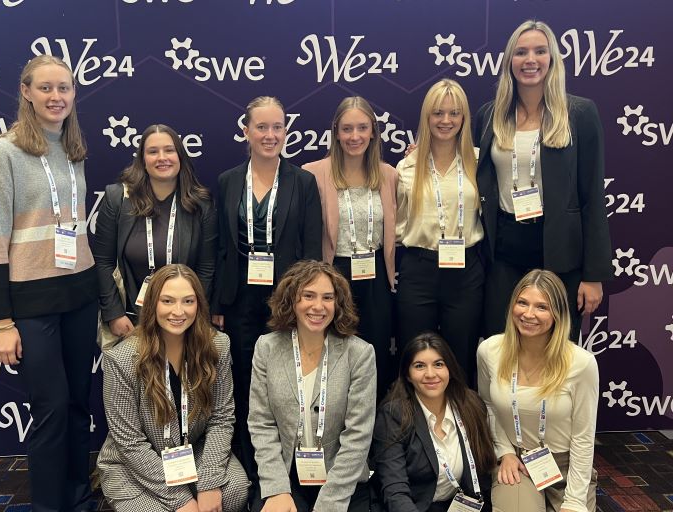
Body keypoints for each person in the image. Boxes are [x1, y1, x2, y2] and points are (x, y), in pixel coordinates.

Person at [0, 55, 98, 511]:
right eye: (45, 88)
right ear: (26, 91)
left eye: (63, 88)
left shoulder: (73, 150)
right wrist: (2, 321)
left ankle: (79, 498)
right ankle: (50, 505)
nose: (56, 97)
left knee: (77, 406)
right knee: (50, 408)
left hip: (79, 294)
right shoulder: (3, 154)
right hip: (31, 302)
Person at [473, 20, 612, 341]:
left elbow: (592, 196)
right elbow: (468, 169)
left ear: (552, 59)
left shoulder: (579, 113)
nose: (530, 60)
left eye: (539, 51)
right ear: (509, 61)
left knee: (557, 350)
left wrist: (593, 276)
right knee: (500, 343)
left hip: (561, 251)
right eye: (521, 53)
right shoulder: (488, 115)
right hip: (504, 250)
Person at [212, 96, 322, 480]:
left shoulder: (303, 182)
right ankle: (248, 465)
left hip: (288, 301)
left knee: (287, 380)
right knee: (244, 383)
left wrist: (307, 301)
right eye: (262, 127)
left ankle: (288, 464)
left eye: (277, 127)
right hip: (239, 298)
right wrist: (216, 302)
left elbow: (311, 250)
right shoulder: (227, 181)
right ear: (246, 131)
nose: (270, 135)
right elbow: (220, 245)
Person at [98, 264, 248, 512]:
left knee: (234, 492)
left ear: (198, 304)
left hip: (193, 450)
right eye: (167, 301)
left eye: (187, 301)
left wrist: (209, 482)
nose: (178, 311)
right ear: (152, 303)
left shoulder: (217, 346)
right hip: (133, 465)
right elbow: (129, 443)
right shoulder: (121, 359)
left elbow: (221, 418)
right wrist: (181, 500)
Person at [248, 260, 376, 512]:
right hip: (285, 475)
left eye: (328, 297)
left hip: (341, 480)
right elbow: (261, 423)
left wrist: (330, 504)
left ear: (337, 304)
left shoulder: (359, 354)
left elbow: (358, 437)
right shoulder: (266, 347)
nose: (318, 306)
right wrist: (277, 488)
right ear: (291, 300)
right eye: (308, 296)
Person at [477, 269, 599, 512]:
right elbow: (488, 406)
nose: (528, 314)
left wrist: (574, 501)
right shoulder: (490, 350)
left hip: (564, 466)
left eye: (541, 307)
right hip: (516, 464)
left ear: (558, 314)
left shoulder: (581, 363)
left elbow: (584, 437)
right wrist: (504, 452)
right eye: (522, 303)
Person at [303, 96, 398, 400]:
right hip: (334, 275)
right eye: (347, 129)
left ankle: (378, 428)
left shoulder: (389, 175)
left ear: (373, 132)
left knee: (377, 351)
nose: (354, 136)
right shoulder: (314, 173)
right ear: (336, 132)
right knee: (335, 351)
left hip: (377, 276)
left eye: (362, 128)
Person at [93, 124, 217, 339]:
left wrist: (193, 314)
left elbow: (206, 267)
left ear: (180, 156)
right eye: (153, 152)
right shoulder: (117, 199)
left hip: (183, 319)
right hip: (131, 321)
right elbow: (103, 261)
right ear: (142, 159)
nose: (162, 157)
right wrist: (113, 313)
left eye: (169, 150)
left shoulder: (201, 204)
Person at [395, 79, 484, 376]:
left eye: (454, 113)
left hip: (466, 270)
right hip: (418, 269)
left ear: (464, 118)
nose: (446, 121)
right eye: (438, 113)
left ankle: (461, 421)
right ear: (426, 117)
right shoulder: (407, 167)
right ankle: (413, 422)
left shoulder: (478, 161)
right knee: (415, 356)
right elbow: (397, 223)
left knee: (461, 356)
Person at [371, 332, 495, 512]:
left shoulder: (471, 405)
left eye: (438, 364)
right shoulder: (393, 415)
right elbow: (395, 492)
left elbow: (482, 477)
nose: (430, 374)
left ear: (450, 370)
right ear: (407, 375)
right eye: (419, 366)